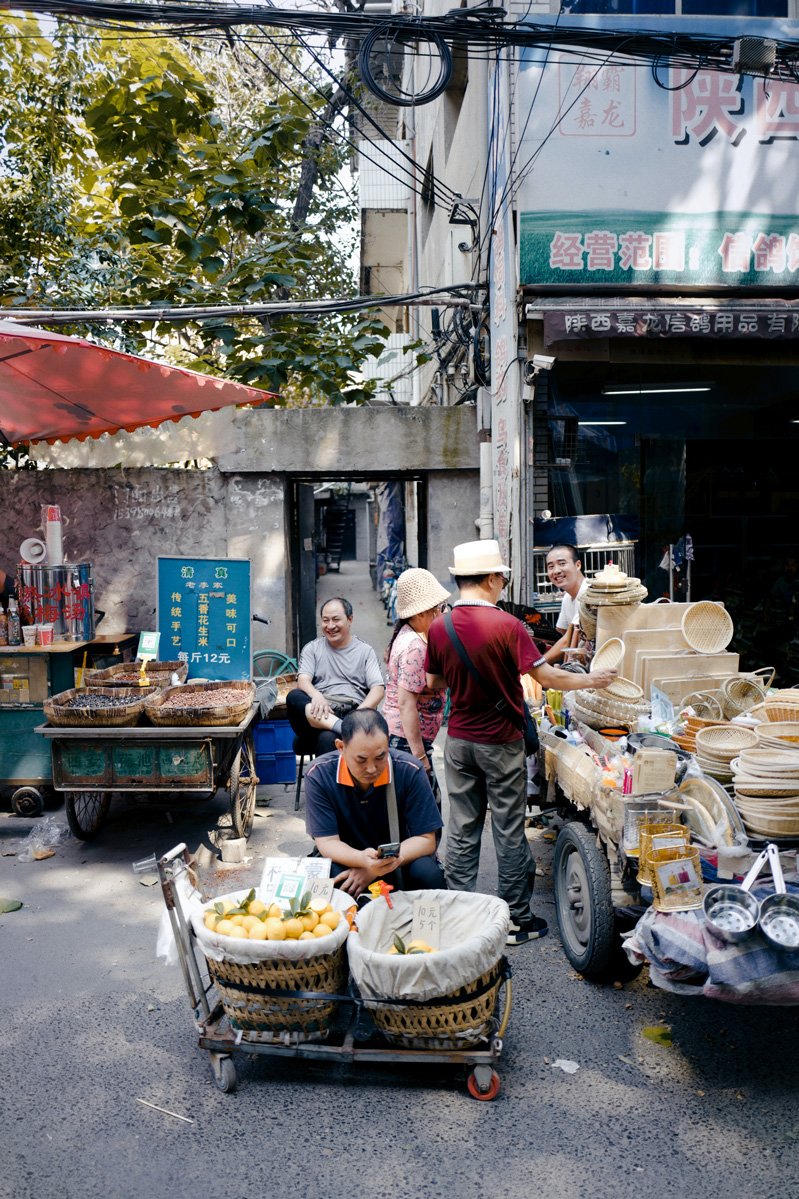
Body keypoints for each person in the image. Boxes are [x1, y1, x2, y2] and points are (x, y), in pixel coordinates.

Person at [425, 539, 617, 946]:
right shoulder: (507, 626)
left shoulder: (440, 627)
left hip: (458, 741)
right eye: (501, 578)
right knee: (509, 830)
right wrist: (593, 680)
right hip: (500, 741)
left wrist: (464, 678)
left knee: (462, 829)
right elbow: (547, 677)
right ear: (492, 579)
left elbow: (433, 681)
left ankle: (458, 917)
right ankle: (515, 920)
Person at [304, 709, 446, 896]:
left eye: (380, 757)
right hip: (348, 860)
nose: (371, 769)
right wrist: (362, 861)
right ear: (341, 747)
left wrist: (376, 869)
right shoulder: (319, 774)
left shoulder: (409, 769)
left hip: (398, 860)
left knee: (429, 874)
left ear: (388, 743)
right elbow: (328, 842)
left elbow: (426, 840)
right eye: (361, 760)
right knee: (330, 881)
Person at [383, 568, 451, 802]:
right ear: (422, 612)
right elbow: (406, 705)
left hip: (406, 740)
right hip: (406, 742)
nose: (442, 613)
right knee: (426, 808)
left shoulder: (409, 634)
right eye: (439, 608)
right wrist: (420, 757)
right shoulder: (414, 647)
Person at [286, 596, 385, 757]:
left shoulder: (365, 651)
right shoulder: (312, 649)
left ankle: (345, 727)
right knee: (294, 696)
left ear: (350, 619)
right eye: (325, 620)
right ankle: (344, 728)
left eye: (336, 619)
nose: (330, 626)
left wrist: (357, 715)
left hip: (352, 712)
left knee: (327, 739)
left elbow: (378, 689)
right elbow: (303, 680)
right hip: (319, 712)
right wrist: (316, 695)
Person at [543, 544, 589, 664]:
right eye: (551, 566)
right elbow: (559, 634)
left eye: (562, 564)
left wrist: (538, 664)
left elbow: (567, 640)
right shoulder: (567, 597)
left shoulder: (588, 593)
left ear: (578, 565)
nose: (556, 571)